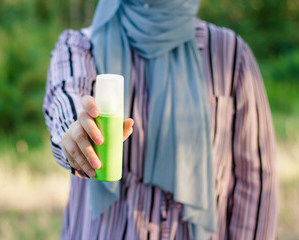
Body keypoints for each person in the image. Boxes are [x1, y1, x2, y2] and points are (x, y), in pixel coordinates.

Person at [43, 0, 277, 239]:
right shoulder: (80, 46)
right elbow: (67, 97)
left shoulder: (229, 54)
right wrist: (76, 135)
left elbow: (254, 180)